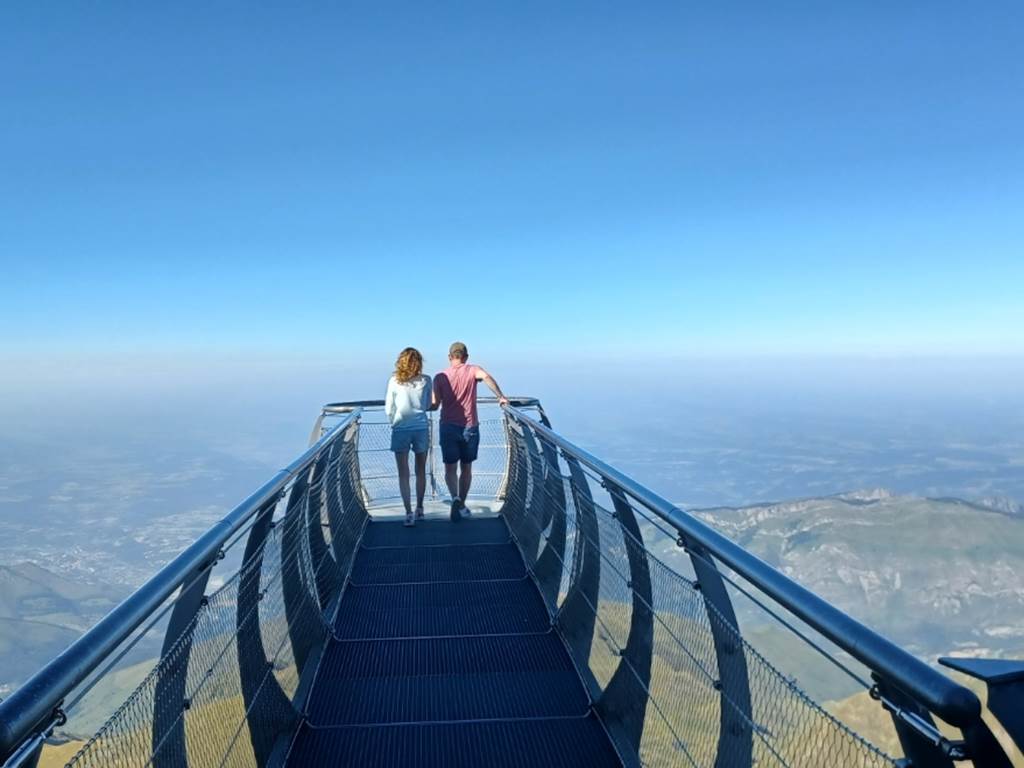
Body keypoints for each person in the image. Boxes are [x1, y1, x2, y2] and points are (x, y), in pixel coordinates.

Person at [431, 341, 509, 522]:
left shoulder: (440, 377)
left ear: (450, 357)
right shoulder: (473, 370)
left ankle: (455, 499)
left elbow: (435, 405)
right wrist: (501, 396)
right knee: (466, 468)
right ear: (465, 357)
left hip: (448, 426)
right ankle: (462, 504)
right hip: (470, 426)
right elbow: (487, 377)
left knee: (450, 468)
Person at [385, 347, 432, 526]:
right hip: (421, 427)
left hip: (401, 429)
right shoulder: (426, 380)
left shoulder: (394, 381)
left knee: (403, 473)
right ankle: (420, 507)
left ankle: (408, 512)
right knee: (421, 470)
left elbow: (389, 408)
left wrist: (394, 422)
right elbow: (427, 404)